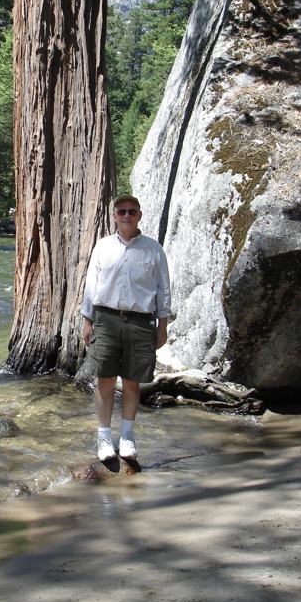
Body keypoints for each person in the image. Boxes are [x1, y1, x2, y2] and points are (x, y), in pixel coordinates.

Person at [81, 194, 171, 461]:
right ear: (114, 216)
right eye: (122, 212)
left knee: (132, 382)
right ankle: (104, 439)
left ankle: (128, 438)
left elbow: (163, 290)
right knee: (105, 380)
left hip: (141, 321)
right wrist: (87, 320)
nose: (127, 216)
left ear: (140, 215)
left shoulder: (154, 249)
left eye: (132, 212)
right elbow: (90, 286)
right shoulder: (103, 247)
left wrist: (162, 325)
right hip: (106, 320)